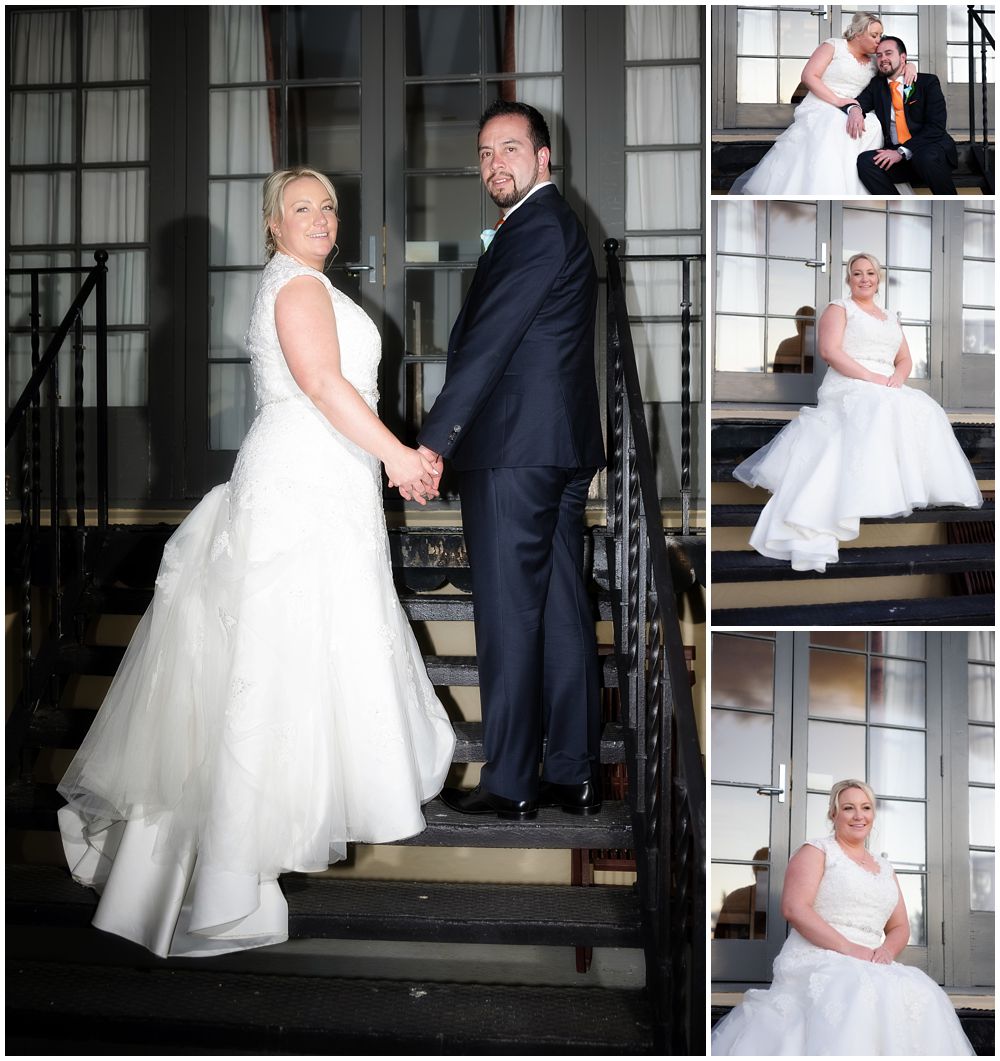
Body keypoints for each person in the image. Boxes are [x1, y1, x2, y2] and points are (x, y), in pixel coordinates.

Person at [56, 168, 457, 957]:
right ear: (273, 225)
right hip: (303, 484)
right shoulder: (298, 290)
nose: (319, 217)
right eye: (301, 207)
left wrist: (379, 460)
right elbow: (319, 383)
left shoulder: (302, 282)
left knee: (278, 673)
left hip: (323, 478)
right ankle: (228, 883)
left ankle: (222, 876)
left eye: (328, 206)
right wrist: (401, 458)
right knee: (270, 674)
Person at [404, 99, 605, 821]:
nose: (495, 164)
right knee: (557, 606)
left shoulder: (537, 227)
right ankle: (574, 772)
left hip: (516, 451)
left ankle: (513, 779)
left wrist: (432, 443)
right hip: (554, 445)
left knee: (507, 615)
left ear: (543, 157)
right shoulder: (545, 224)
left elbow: (487, 345)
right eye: (486, 153)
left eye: (510, 149)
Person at [733, 253, 982, 573]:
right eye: (857, 273)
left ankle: (908, 486)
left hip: (886, 384)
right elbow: (829, 351)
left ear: (878, 279)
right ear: (848, 278)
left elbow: (904, 358)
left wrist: (897, 378)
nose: (864, 278)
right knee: (879, 406)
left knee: (926, 407)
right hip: (849, 382)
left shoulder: (891, 316)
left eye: (870, 273)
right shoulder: (840, 308)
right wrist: (873, 378)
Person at [712, 780, 977, 1055]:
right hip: (819, 954)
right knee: (856, 990)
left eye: (866, 808)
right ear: (833, 814)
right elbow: (794, 908)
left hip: (872, 961)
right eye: (848, 808)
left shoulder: (885, 868)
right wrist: (850, 949)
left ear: (873, 815)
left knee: (924, 993)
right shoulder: (816, 851)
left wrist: (886, 951)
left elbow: (900, 925)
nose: (858, 815)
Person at [730, 13, 915, 196]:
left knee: (874, 125)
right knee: (834, 123)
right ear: (858, 33)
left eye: (881, 35)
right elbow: (809, 76)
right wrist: (838, 101)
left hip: (857, 107)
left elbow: (895, 66)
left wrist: (910, 66)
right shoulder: (833, 46)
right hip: (824, 103)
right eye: (874, 35)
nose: (878, 41)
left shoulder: (876, 59)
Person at [848, 35, 958, 195]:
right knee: (866, 162)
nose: (883, 58)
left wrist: (901, 151)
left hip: (930, 150)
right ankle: (898, 208)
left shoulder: (927, 83)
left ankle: (951, 207)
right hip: (901, 158)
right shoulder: (877, 85)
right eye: (879, 55)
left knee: (925, 157)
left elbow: (936, 127)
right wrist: (855, 110)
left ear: (903, 57)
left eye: (888, 53)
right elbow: (859, 103)